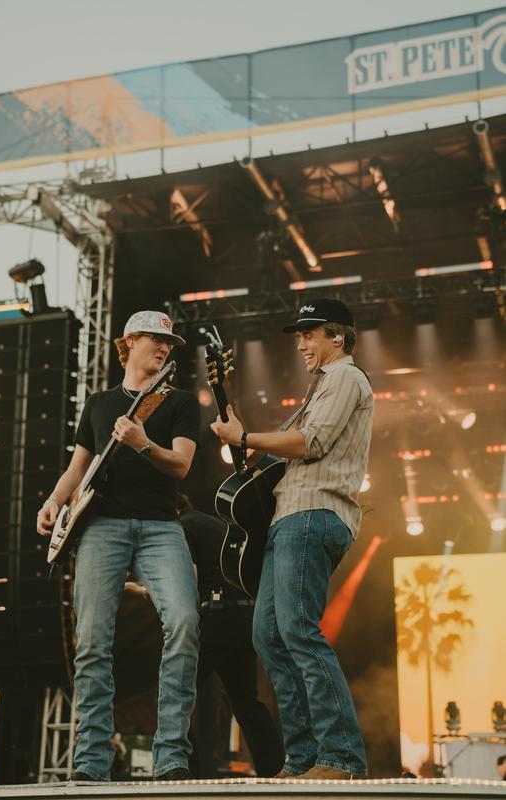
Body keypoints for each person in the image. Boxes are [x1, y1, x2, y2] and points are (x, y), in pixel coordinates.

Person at [211, 298, 373, 781]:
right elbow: (279, 457)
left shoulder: (346, 376)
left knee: (299, 631)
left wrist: (245, 438)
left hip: (314, 514)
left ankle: (341, 757)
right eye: (299, 335)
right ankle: (302, 759)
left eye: (309, 334)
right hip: (289, 517)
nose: (300, 344)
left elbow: (313, 442)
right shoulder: (320, 388)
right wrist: (245, 441)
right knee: (268, 637)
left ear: (337, 337)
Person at [37, 310, 200, 782]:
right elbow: (78, 467)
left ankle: (171, 756)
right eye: (156, 339)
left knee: (185, 622)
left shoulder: (181, 402)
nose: (165, 347)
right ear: (129, 342)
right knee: (91, 641)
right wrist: (53, 501)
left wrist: (142, 443)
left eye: (170, 342)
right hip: (101, 527)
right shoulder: (98, 403)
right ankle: (91, 761)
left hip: (160, 527)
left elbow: (181, 465)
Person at [178, 496, 285, 778]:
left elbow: (186, 581)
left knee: (177, 687)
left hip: (218, 614)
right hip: (245, 615)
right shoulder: (213, 524)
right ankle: (274, 770)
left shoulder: (182, 526)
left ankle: (184, 771)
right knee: (246, 702)